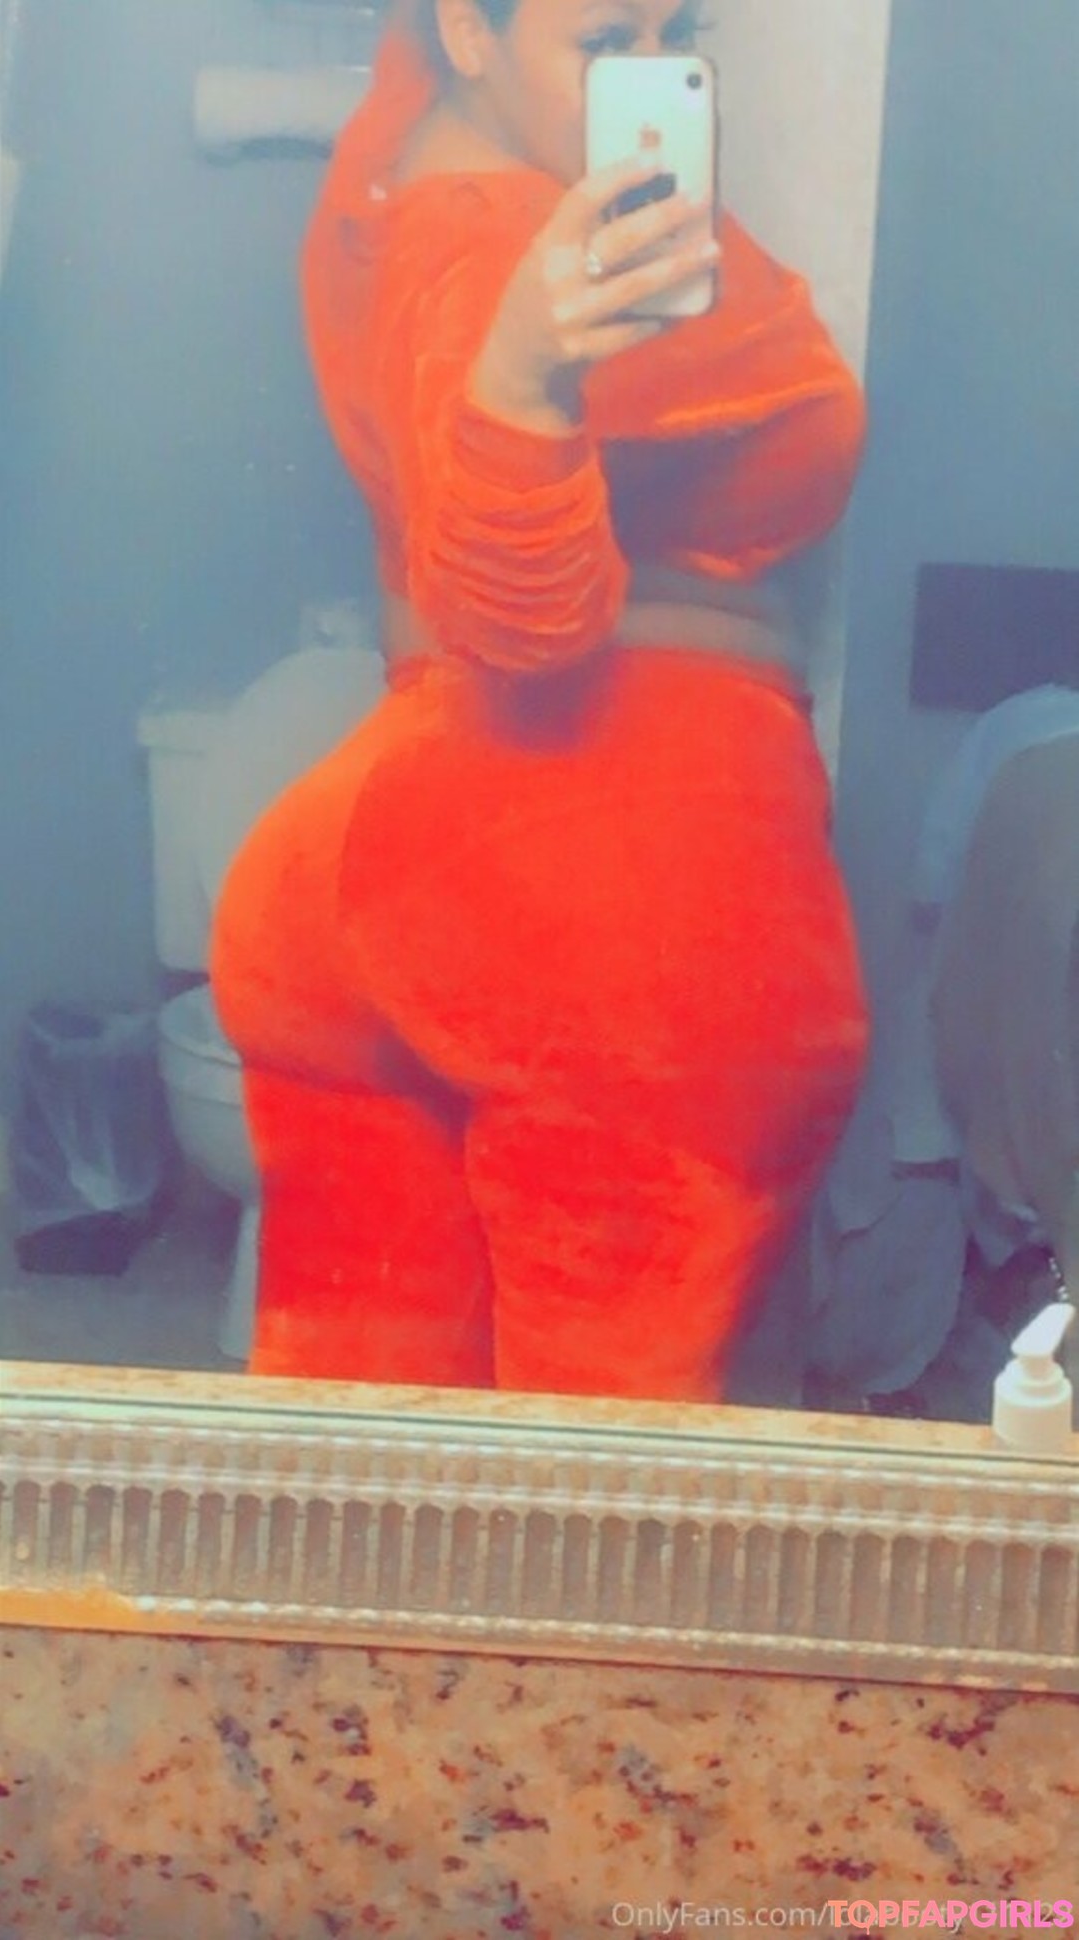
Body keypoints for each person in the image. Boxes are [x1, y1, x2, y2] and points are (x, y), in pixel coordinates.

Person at [210, 0, 870, 1400]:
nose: (651, 77)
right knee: (595, 1497)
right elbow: (520, 620)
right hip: (604, 903)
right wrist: (522, 383)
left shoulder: (402, 173)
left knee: (358, 1461)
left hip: (387, 866)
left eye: (677, 34)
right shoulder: (490, 242)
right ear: (470, 29)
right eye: (604, 44)